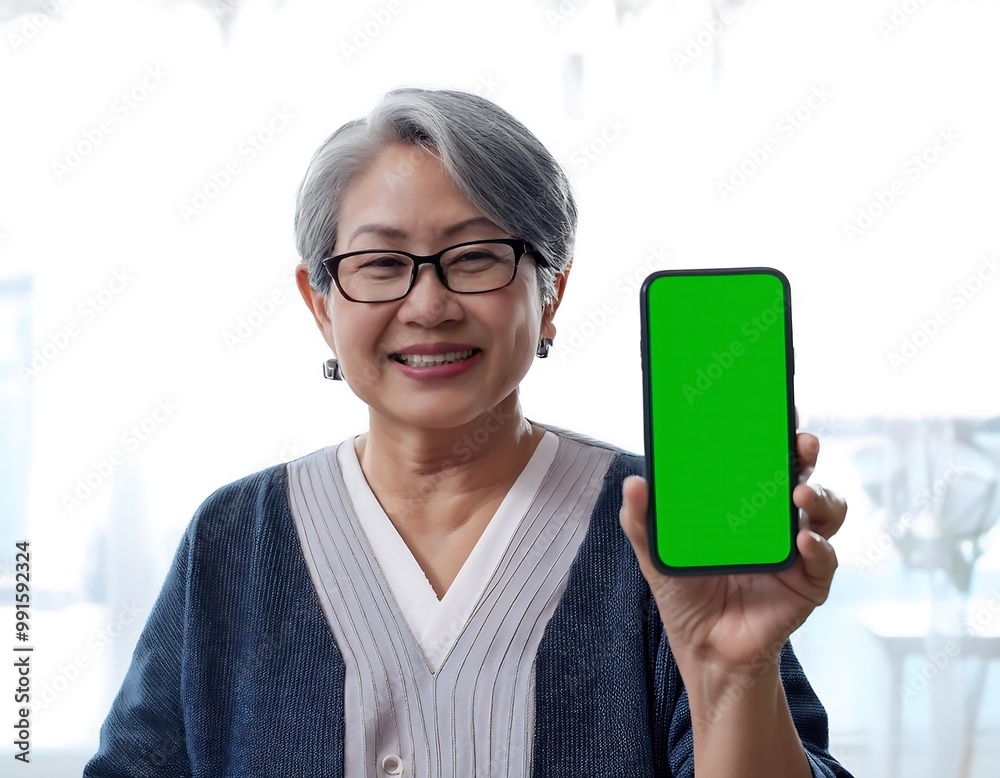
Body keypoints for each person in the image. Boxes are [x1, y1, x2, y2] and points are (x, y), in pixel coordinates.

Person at [84, 87, 853, 777]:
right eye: (382, 264)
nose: (429, 304)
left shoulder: (659, 530)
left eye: (477, 257)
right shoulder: (236, 540)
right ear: (321, 304)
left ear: (551, 293)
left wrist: (734, 677)